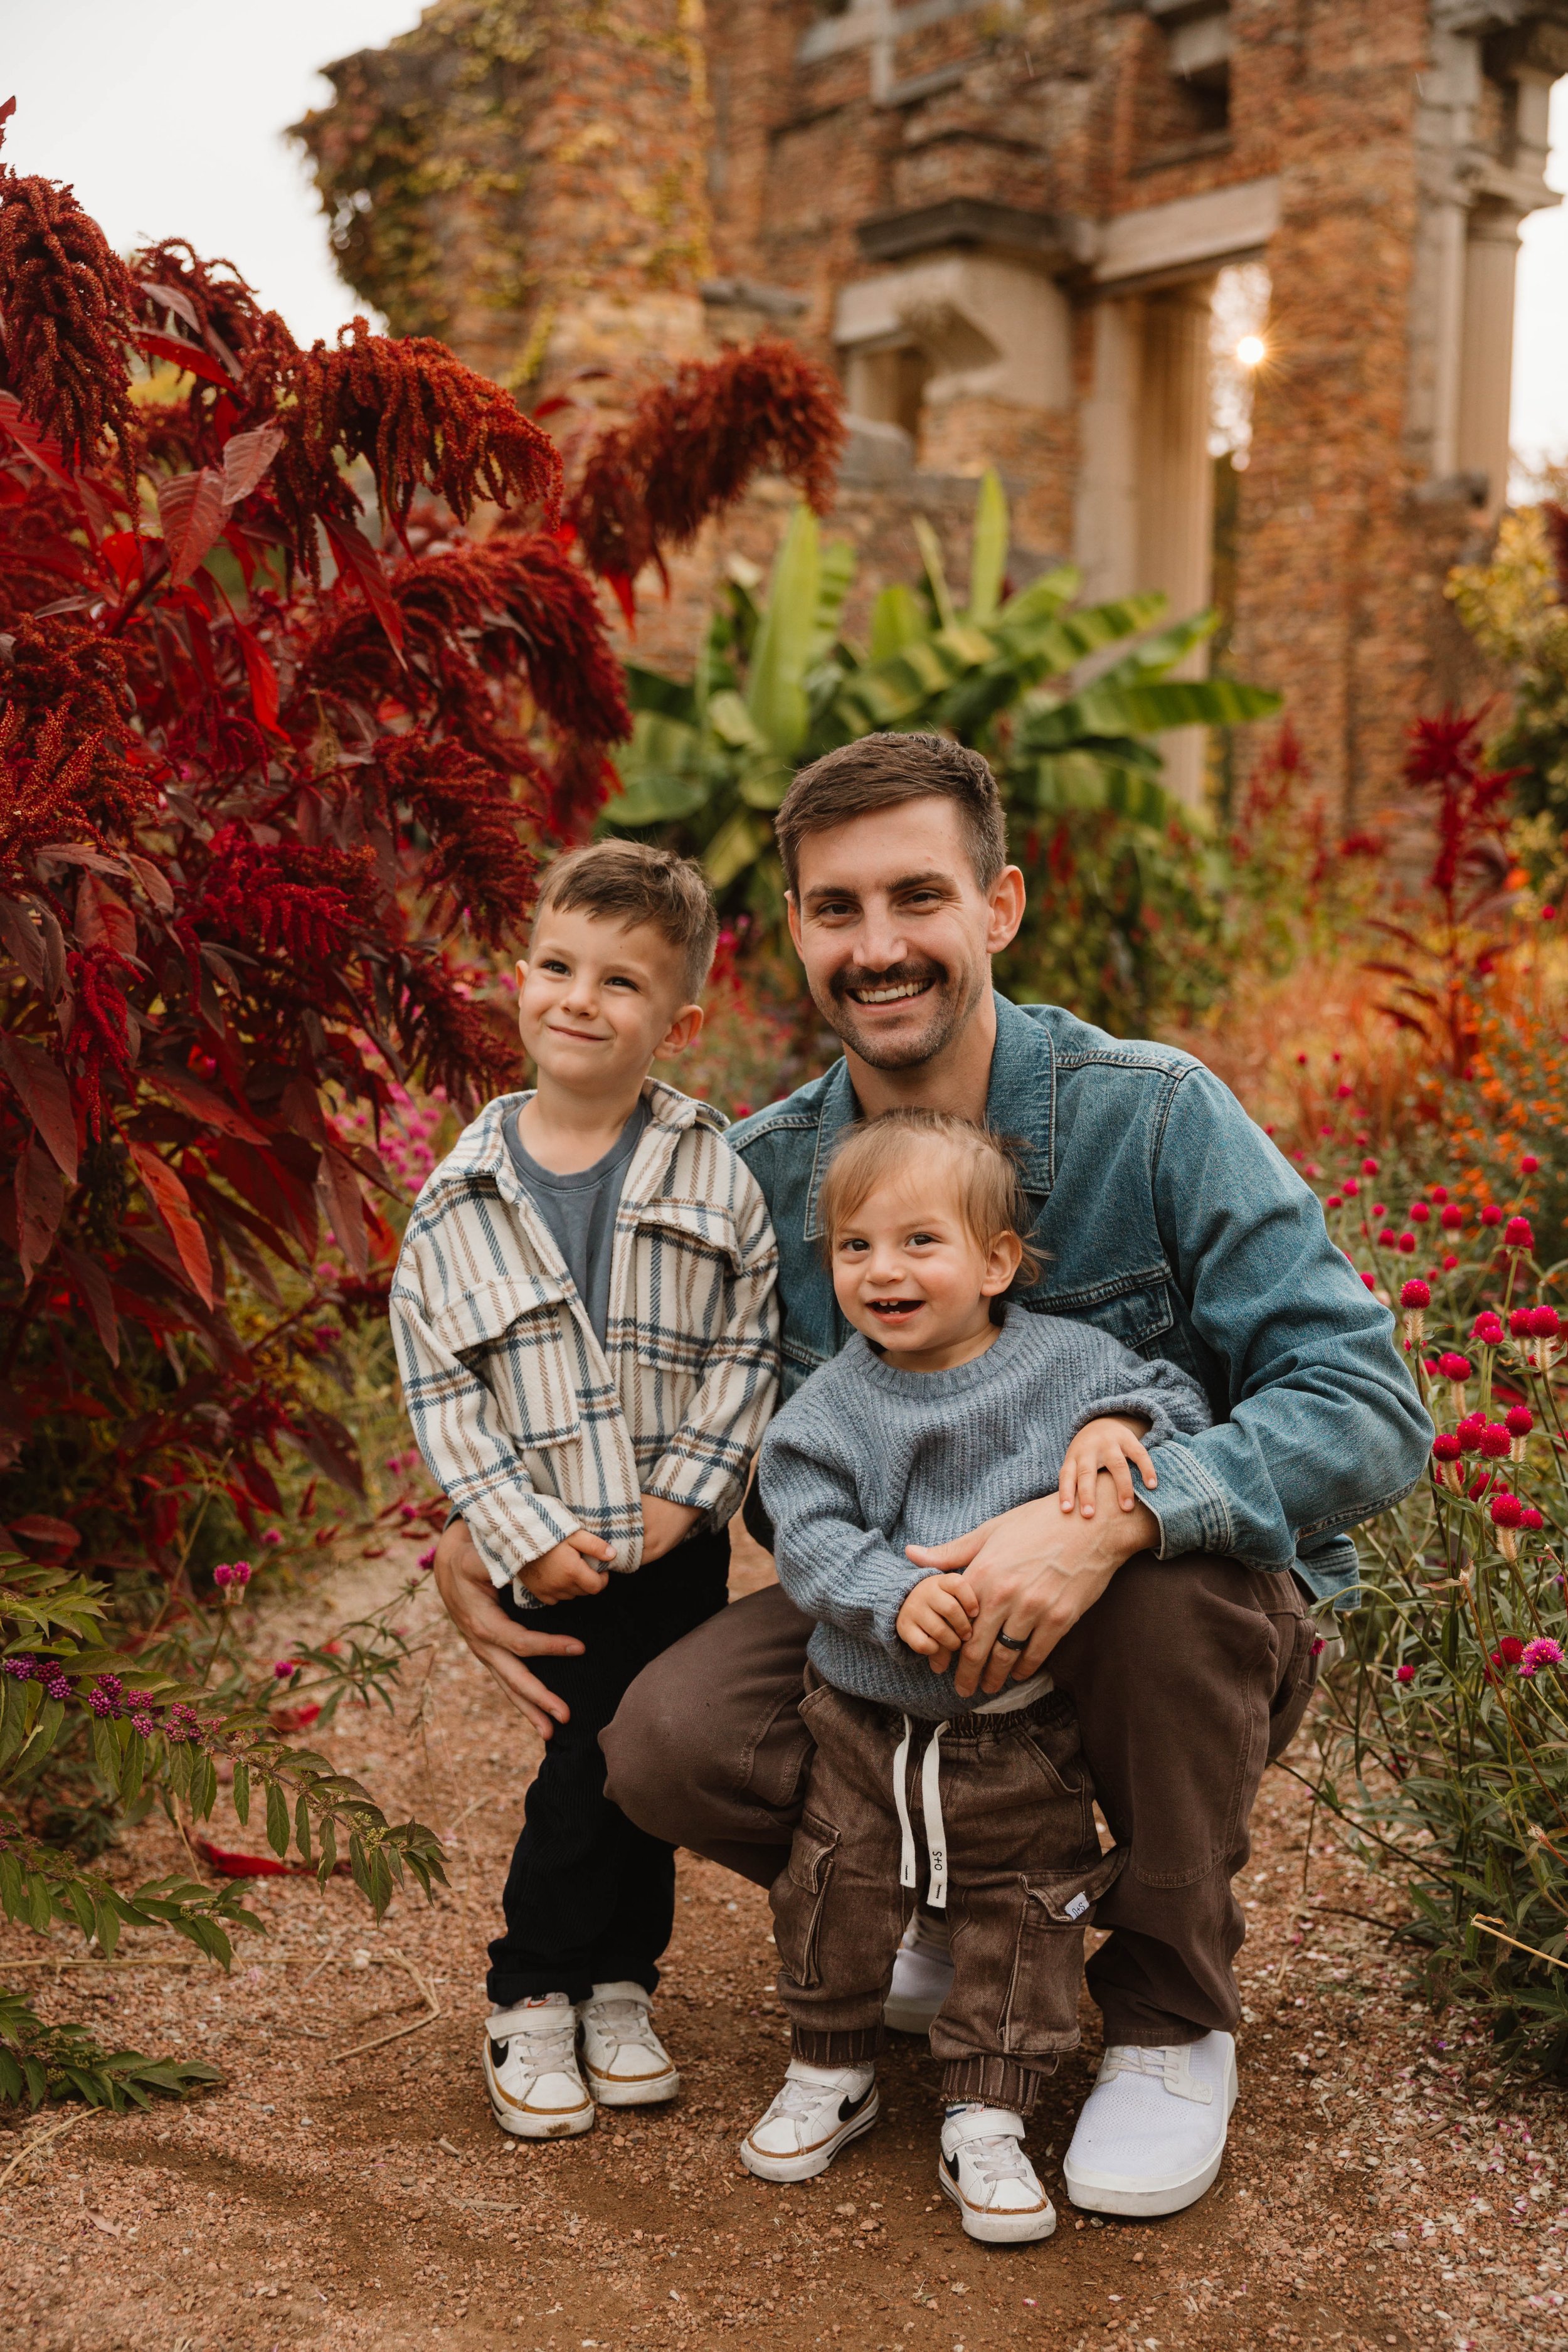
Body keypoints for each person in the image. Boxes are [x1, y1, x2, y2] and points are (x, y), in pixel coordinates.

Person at [432, 731, 1431, 2215]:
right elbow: (656, 1394)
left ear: (999, 906)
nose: (877, 945)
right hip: (900, 1604)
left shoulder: (1148, 1113)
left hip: (1160, 1613)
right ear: (795, 933)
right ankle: (937, 1886)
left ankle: (1166, 2012)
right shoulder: (763, 1177)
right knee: (666, 1739)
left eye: (917, 897)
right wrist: (480, 1514)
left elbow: (1365, 1404)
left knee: (1163, 1597)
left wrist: (1111, 1518)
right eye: (836, 909)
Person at [739, 1109, 1212, 2243]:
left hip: (1023, 1730)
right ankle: (832, 2062)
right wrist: (889, 1593)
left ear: (998, 1261)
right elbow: (800, 1531)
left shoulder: (1068, 1362)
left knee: (1023, 1912)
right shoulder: (831, 1411)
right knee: (834, 1886)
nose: (883, 1270)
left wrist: (1117, 1425)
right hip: (868, 1720)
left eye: (919, 1242)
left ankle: (987, 2115)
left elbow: (1180, 1404)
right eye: (856, 1247)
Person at [391, 842, 778, 2140]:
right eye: (556, 967)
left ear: (678, 1020)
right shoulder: (459, 1201)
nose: (577, 999)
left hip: (671, 1543)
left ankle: (619, 1983)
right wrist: (516, 1532)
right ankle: (530, 1991)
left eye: (618, 982)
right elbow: (441, 1388)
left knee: (642, 1766)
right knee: (581, 1765)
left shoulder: (708, 1173)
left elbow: (746, 1348)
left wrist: (688, 1498)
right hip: (548, 1546)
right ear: (519, 980)